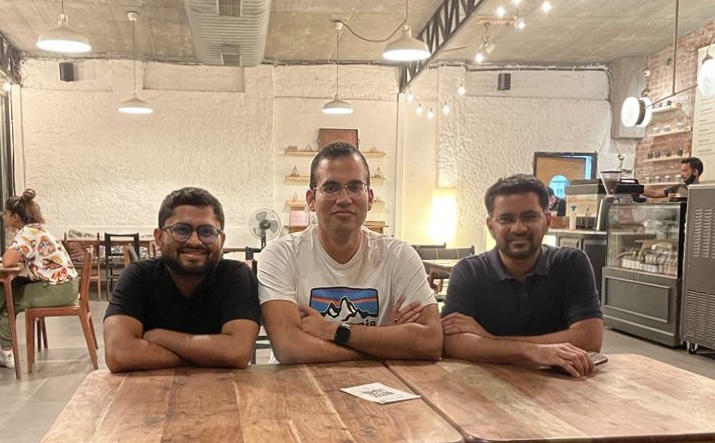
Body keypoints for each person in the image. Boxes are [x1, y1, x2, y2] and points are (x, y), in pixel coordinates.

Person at [258, 142, 442, 364]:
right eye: (331, 188)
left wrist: (333, 330)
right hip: (299, 388)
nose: (344, 199)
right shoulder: (280, 255)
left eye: (355, 187)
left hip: (380, 387)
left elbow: (431, 341)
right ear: (311, 200)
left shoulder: (400, 256)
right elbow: (290, 348)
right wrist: (385, 342)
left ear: (370, 198)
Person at [441, 174, 603, 378]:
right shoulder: (468, 271)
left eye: (529, 217)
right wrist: (534, 351)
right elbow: (452, 342)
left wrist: (489, 341)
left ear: (547, 221)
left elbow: (589, 339)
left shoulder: (572, 263)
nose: (518, 228)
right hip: (487, 388)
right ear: (491, 226)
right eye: (506, 219)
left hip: (564, 389)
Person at [103, 187, 260, 372]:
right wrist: (210, 355)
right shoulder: (138, 276)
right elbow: (119, 353)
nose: (194, 241)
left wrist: (161, 338)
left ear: (222, 239)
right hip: (149, 395)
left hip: (225, 393)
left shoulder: (235, 276)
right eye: (182, 230)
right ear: (159, 237)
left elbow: (237, 352)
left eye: (207, 232)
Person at [0, 189, 79, 369]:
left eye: (5, 213)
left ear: (15, 217)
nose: (3, 216)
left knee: (10, 303)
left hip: (58, 289)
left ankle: (5, 353)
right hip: (66, 285)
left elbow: (8, 260)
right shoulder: (37, 229)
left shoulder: (28, 233)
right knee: (12, 287)